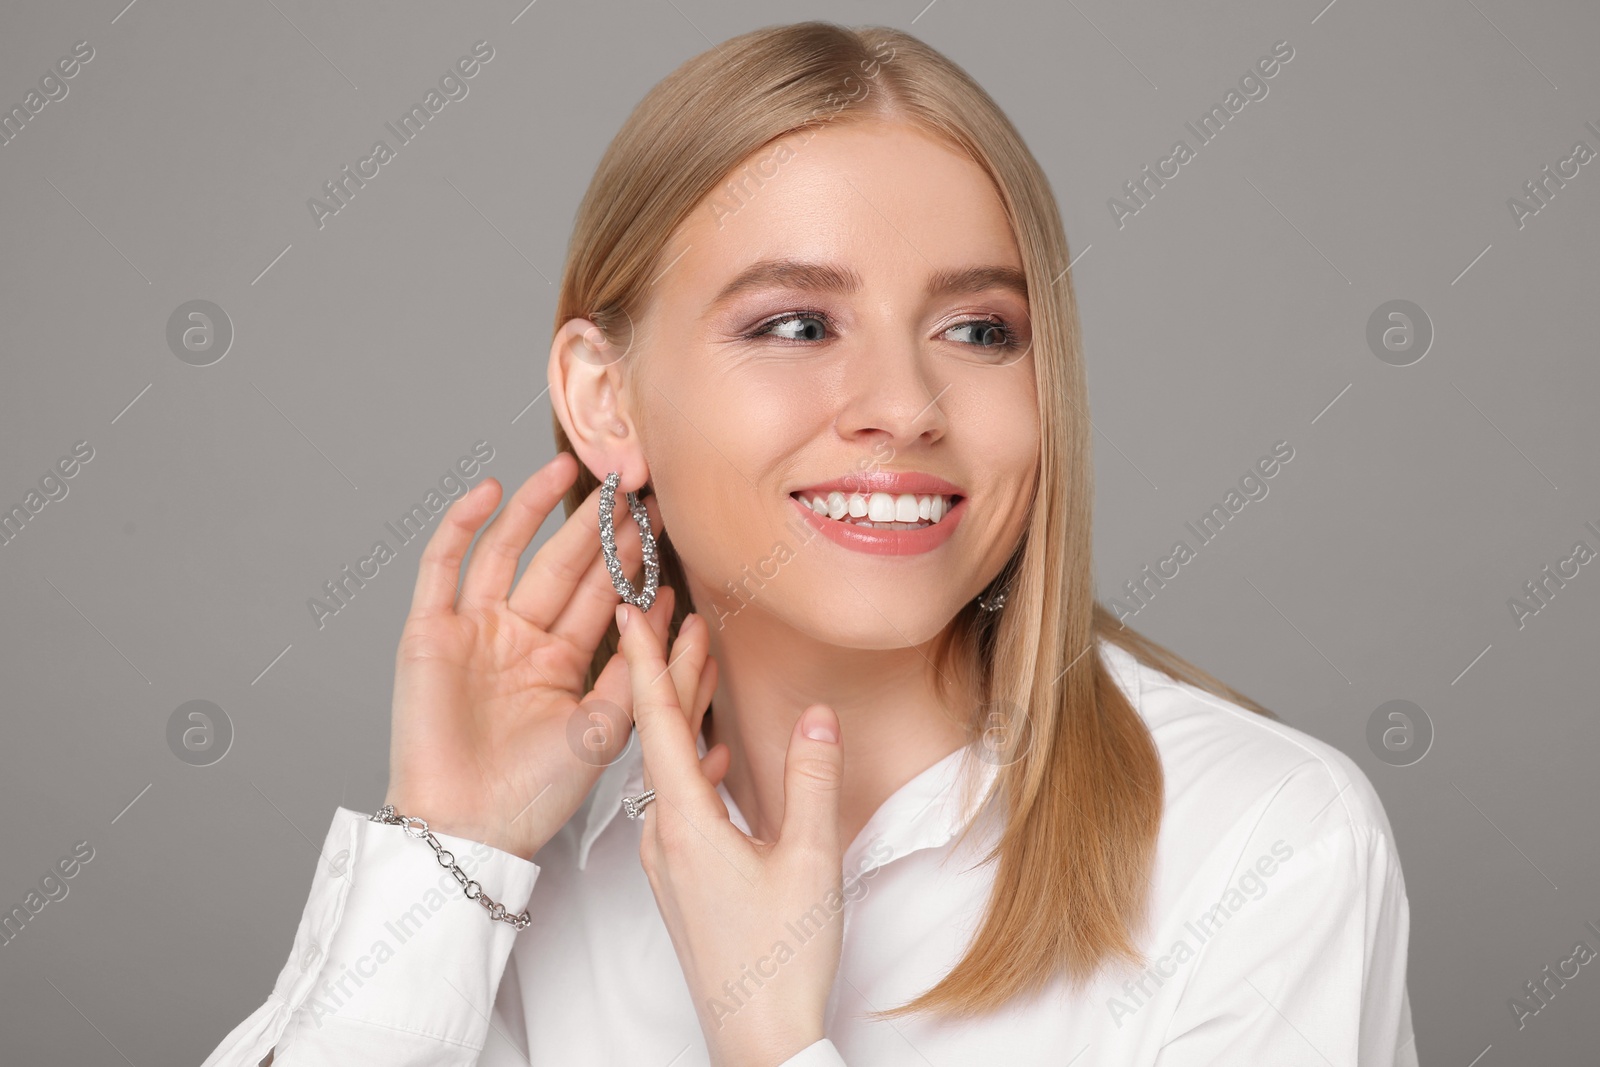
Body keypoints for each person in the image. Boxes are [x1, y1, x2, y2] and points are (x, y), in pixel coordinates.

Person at [201, 21, 1417, 1066]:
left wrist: (775, 1039)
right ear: (605, 399)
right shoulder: (535, 845)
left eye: (978, 330)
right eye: (794, 322)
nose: (903, 402)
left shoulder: (1265, 843)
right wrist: (444, 855)